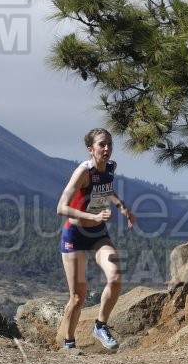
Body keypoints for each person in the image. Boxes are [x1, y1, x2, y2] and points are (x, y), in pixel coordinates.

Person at [56, 128, 136, 350]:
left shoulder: (111, 167)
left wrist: (122, 207)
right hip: (75, 235)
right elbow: (61, 208)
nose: (107, 148)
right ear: (91, 149)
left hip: (98, 234)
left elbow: (107, 189)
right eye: (102, 145)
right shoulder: (83, 172)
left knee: (116, 275)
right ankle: (69, 342)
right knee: (78, 297)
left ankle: (100, 325)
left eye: (109, 144)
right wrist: (93, 216)